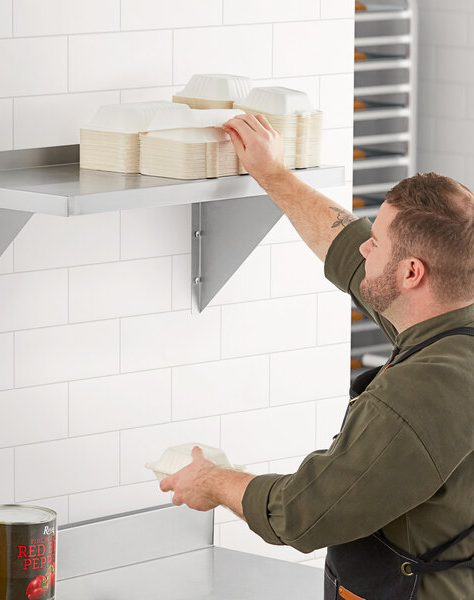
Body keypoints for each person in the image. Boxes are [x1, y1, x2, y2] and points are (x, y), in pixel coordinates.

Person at [159, 113, 474, 600]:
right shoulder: (449, 318)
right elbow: (348, 245)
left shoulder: (422, 393)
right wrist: (272, 172)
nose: (367, 244)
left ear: (412, 272)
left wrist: (212, 481)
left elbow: (302, 513)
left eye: (380, 242)